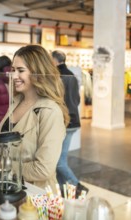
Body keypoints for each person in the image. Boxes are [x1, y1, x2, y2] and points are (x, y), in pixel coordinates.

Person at [0, 45, 70, 193]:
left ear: (37, 73)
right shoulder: (16, 101)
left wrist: (5, 166)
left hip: (35, 196)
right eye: (13, 70)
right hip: (9, 189)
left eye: (21, 70)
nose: (14, 76)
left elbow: (44, 169)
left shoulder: (50, 111)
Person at [51, 50, 89, 195]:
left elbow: (57, 100)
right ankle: (63, 188)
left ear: (55, 60)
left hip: (65, 122)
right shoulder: (72, 75)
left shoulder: (57, 77)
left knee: (59, 161)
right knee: (60, 159)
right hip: (74, 121)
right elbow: (77, 99)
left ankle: (77, 185)